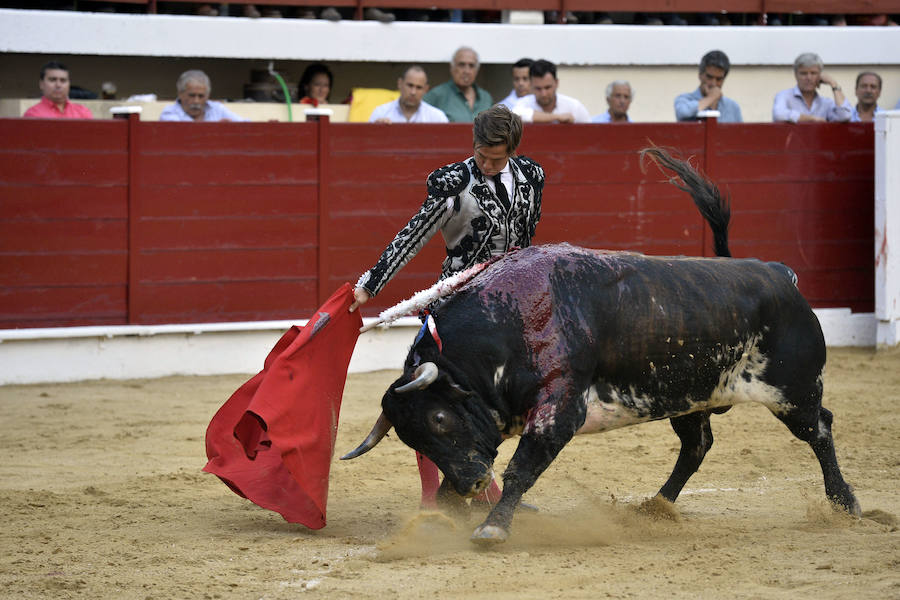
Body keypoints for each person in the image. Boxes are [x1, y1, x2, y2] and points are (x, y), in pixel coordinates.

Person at [349, 104, 543, 508]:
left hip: (511, 309)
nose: (487, 164)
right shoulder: (453, 182)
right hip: (459, 307)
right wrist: (372, 282)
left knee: (507, 401)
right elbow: (414, 234)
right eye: (480, 155)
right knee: (431, 397)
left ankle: (486, 488)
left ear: (513, 150)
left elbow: (528, 241)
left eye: (497, 158)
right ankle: (429, 500)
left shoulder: (532, 177)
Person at [772, 52, 851, 123]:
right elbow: (779, 114)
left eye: (813, 73)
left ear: (820, 76)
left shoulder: (826, 103)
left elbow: (845, 116)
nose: (809, 78)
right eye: (803, 73)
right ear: (796, 75)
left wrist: (834, 84)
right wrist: (811, 119)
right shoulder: (784, 96)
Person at [423, 46, 493, 122]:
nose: (466, 71)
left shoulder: (486, 98)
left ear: (477, 70)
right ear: (452, 68)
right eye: (462, 65)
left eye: (471, 66)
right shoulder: (436, 95)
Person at [512, 59, 591, 124]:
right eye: (538, 88)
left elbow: (590, 131)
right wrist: (557, 117)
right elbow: (517, 116)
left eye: (547, 87)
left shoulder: (574, 107)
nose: (543, 94)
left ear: (556, 83)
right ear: (531, 85)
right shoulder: (522, 103)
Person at [674, 50, 743, 123]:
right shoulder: (685, 100)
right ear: (700, 75)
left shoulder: (732, 107)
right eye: (709, 77)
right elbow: (683, 113)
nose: (713, 83)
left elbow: (741, 133)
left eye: (719, 79)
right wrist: (711, 98)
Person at [369, 66, 449, 123]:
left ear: (426, 90)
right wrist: (377, 130)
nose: (413, 92)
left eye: (419, 88)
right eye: (410, 86)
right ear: (400, 84)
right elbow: (368, 143)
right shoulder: (381, 113)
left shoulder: (437, 118)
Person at [159, 70, 245, 122]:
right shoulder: (169, 113)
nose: (196, 101)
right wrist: (217, 128)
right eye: (192, 95)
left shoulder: (217, 109)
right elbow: (184, 133)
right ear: (180, 94)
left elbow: (247, 125)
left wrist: (233, 126)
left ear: (208, 96)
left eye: (201, 96)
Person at [23, 61, 93, 119]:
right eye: (52, 80)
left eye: (63, 80)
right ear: (41, 84)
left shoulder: (82, 112)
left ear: (69, 84)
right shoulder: (33, 115)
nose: (58, 85)